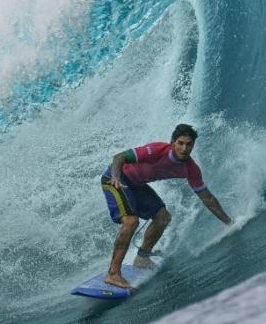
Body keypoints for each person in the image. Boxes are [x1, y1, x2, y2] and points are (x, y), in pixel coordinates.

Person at [100, 123, 233, 289]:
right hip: (115, 179)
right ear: (172, 143)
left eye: (189, 144)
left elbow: (207, 198)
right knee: (131, 222)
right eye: (180, 143)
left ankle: (142, 257)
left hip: (137, 185)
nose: (184, 148)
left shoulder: (190, 169)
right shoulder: (156, 151)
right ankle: (113, 274)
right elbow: (119, 157)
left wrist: (230, 223)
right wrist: (115, 177)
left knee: (163, 217)